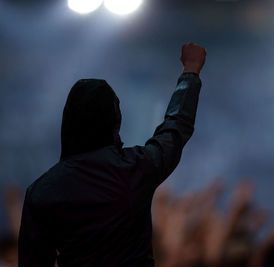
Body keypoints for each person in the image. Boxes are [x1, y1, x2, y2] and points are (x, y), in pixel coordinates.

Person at [18, 42, 207, 267]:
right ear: (114, 122)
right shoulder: (135, 169)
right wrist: (190, 71)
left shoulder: (41, 192)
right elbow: (175, 128)